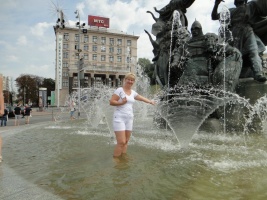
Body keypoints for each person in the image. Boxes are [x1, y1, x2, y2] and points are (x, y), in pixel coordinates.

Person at [211, 0, 267, 82]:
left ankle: (258, 74)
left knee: (254, 51)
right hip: (234, 34)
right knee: (234, 55)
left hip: (248, 31)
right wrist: (216, 4)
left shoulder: (251, 5)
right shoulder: (230, 11)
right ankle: (228, 77)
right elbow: (214, 16)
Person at [109, 73, 156, 158]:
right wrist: (121, 102)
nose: (130, 81)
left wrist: (150, 101)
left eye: (132, 80)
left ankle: (122, 157)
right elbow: (111, 102)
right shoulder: (119, 90)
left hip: (129, 119)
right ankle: (116, 161)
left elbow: (141, 98)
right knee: (121, 142)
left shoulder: (133, 92)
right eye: (129, 79)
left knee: (126, 141)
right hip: (119, 118)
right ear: (125, 80)